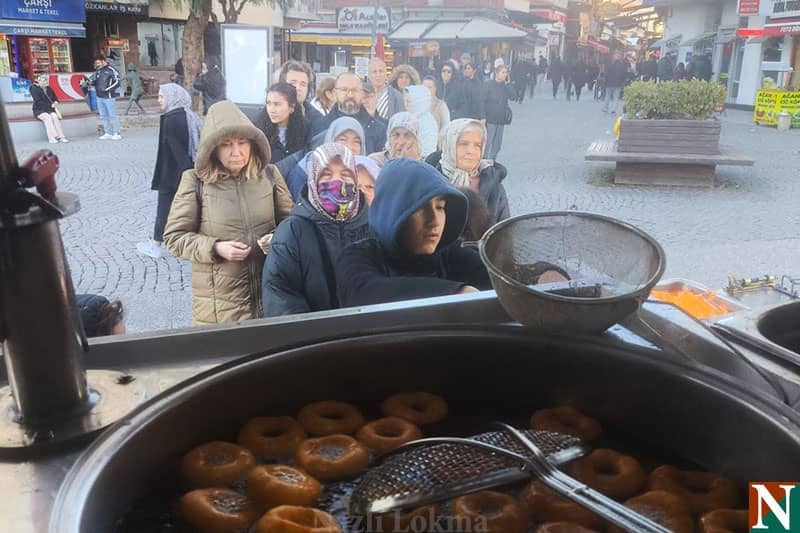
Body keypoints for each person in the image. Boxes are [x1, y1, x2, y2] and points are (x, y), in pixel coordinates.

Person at [163, 100, 293, 325]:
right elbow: (174, 238)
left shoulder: (270, 175)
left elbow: (292, 225)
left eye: (242, 142)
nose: (236, 152)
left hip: (271, 295)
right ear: (213, 148)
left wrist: (278, 239)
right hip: (220, 309)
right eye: (226, 144)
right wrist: (215, 247)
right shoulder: (195, 181)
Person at [336, 158, 491, 308]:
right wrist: (455, 293)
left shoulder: (451, 256)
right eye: (420, 208)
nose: (435, 221)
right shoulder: (357, 257)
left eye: (440, 207)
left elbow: (499, 283)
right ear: (393, 210)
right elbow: (364, 293)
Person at [262, 143, 370, 317]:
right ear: (313, 180)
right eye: (326, 175)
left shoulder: (374, 228)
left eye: (346, 174)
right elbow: (281, 300)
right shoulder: (292, 232)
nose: (338, 182)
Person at [137, 83, 202, 259]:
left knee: (164, 210)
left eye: (161, 96)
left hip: (171, 173)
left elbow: (176, 149)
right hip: (186, 171)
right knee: (189, 208)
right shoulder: (188, 115)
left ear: (172, 97)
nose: (158, 100)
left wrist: (187, 172)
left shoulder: (170, 118)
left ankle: (156, 245)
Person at [426, 119, 510, 224]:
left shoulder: (494, 185)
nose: (471, 151)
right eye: (463, 144)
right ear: (450, 146)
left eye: (477, 145)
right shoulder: (430, 183)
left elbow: (504, 230)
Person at [286, 116, 365, 202]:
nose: (349, 147)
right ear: (330, 140)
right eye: (342, 139)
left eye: (356, 141)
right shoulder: (306, 171)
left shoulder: (366, 175)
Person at [320, 72, 387, 155]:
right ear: (335, 93)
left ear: (362, 93)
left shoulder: (378, 129)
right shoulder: (319, 126)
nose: (350, 95)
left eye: (355, 90)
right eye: (344, 89)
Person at [254, 82, 310, 178]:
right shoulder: (258, 130)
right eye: (268, 103)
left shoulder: (305, 129)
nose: (271, 110)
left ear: (291, 107)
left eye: (277, 104)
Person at [279, 60, 325, 135]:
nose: (297, 88)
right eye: (293, 83)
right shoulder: (266, 118)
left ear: (308, 89)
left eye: (303, 84)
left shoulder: (318, 121)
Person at [482, 66, 515, 160]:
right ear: (496, 73)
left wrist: (508, 84)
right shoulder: (488, 85)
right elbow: (482, 101)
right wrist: (483, 116)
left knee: (497, 145)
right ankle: (484, 162)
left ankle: (492, 161)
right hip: (490, 119)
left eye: (506, 73)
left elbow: (513, 97)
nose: (505, 75)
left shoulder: (505, 86)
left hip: (501, 119)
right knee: (487, 143)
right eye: (503, 72)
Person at [91, 55, 122, 140]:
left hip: (109, 97)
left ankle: (117, 133)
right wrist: (90, 83)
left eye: (98, 63)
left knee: (112, 115)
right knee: (103, 116)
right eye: (96, 63)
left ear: (103, 61)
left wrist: (108, 90)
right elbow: (96, 82)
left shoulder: (111, 70)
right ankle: (107, 132)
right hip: (99, 97)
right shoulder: (98, 71)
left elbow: (118, 82)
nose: (97, 65)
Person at [30, 75, 68, 144]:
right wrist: (51, 106)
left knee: (55, 116)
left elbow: (55, 99)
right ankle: (52, 137)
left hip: (49, 109)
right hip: (39, 110)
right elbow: (38, 101)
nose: (44, 82)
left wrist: (55, 102)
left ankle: (61, 136)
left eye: (45, 80)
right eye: (42, 80)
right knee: (47, 117)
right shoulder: (34, 88)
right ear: (38, 81)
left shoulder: (49, 89)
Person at [403, 85, 439, 157]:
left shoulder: (427, 122)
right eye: (405, 101)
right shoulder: (407, 118)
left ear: (419, 102)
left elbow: (427, 151)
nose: (405, 105)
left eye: (409, 101)